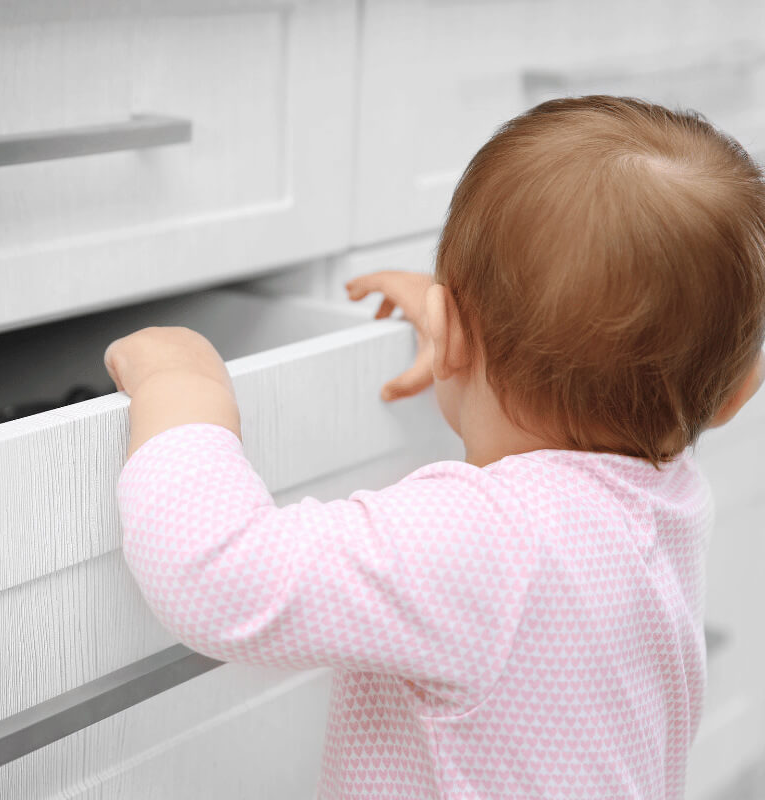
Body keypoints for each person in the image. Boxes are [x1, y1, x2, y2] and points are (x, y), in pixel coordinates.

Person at [105, 96, 765, 799]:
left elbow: (218, 578)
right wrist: (472, 319)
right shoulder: (668, 493)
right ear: (737, 394)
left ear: (446, 333)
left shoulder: (488, 539)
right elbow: (635, 346)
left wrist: (185, 388)